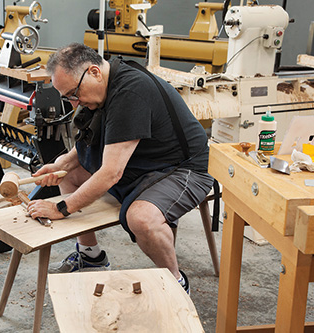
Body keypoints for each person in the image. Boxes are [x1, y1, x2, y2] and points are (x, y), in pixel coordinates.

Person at [26, 43, 214, 293]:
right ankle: (91, 256)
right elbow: (93, 144)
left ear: (93, 72)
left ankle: (176, 283)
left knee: (141, 219)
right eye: (68, 97)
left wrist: (62, 208)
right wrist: (61, 164)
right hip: (144, 162)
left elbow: (111, 173)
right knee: (68, 173)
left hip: (184, 169)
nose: (75, 103)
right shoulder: (107, 82)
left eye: (74, 93)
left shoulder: (130, 92)